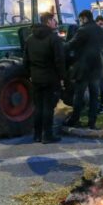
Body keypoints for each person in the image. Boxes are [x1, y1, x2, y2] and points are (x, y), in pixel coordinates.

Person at [23, 12, 65, 143]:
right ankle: (47, 135)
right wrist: (62, 77)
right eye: (53, 20)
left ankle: (36, 135)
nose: (55, 23)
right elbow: (59, 60)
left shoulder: (29, 39)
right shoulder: (54, 39)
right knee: (48, 108)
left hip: (35, 79)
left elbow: (26, 60)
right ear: (48, 22)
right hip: (50, 78)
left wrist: (29, 75)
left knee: (38, 107)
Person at [64, 10, 103, 129]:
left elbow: (71, 44)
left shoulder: (83, 30)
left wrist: (59, 46)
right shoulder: (101, 31)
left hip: (84, 68)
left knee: (78, 95)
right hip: (97, 69)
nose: (80, 22)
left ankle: (74, 120)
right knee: (94, 96)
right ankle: (91, 123)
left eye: (81, 20)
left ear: (85, 18)